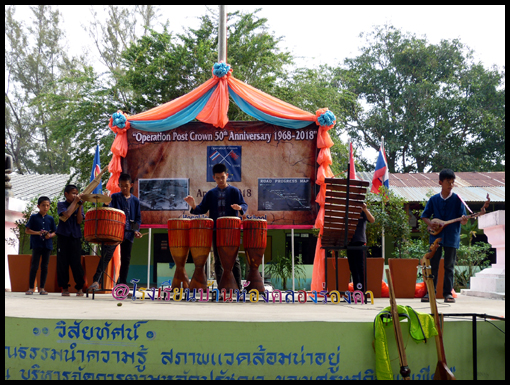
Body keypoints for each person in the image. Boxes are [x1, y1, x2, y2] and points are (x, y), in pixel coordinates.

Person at [184, 163, 248, 291]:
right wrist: (194, 206)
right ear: (214, 178)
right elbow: (202, 209)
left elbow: (244, 205)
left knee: (234, 259)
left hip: (231, 231)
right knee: (218, 260)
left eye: (222, 177)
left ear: (227, 176)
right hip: (216, 231)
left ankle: (238, 288)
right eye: (218, 178)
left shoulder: (235, 191)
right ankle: (221, 287)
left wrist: (240, 208)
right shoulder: (211, 194)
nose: (220, 180)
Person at [420, 168, 472, 303]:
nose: (451, 185)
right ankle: (430, 293)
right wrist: (431, 224)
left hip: (451, 236)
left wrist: (464, 220)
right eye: (448, 182)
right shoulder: (433, 199)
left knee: (449, 266)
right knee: (433, 265)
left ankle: (447, 294)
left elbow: (463, 219)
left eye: (452, 182)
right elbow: (424, 216)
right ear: (440, 182)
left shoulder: (458, 200)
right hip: (435, 237)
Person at [88, 173, 142, 291]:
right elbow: (108, 209)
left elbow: (137, 219)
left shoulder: (135, 201)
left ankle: (122, 284)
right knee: (106, 256)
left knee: (126, 259)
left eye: (126, 186)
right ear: (118, 185)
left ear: (131, 185)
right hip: (114, 232)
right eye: (121, 186)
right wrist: (106, 203)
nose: (123, 188)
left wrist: (136, 230)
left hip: (128, 233)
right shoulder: (115, 197)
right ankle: (96, 281)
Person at [56, 185, 85, 296]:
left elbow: (79, 221)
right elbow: (67, 214)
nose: (75, 195)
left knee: (76, 263)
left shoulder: (78, 204)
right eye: (73, 193)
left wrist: (79, 206)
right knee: (63, 263)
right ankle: (64, 287)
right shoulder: (61, 205)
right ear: (66, 194)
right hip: (63, 236)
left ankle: (79, 287)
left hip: (75, 236)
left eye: (76, 193)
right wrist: (75, 203)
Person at [25, 196, 57, 295]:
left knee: (45, 266)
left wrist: (50, 235)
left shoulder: (50, 219)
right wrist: (38, 233)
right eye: (43, 205)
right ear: (38, 206)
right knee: (34, 266)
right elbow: (27, 230)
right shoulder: (34, 217)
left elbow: (55, 231)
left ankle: (42, 288)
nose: (45, 207)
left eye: (47, 205)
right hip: (37, 244)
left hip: (47, 245)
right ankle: (31, 288)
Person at [346, 202, 375, 294]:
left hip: (360, 242)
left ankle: (362, 291)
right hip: (349, 242)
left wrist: (365, 209)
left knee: (360, 268)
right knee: (353, 268)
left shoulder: (362, 211)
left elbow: (372, 220)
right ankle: (357, 291)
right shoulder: (348, 212)